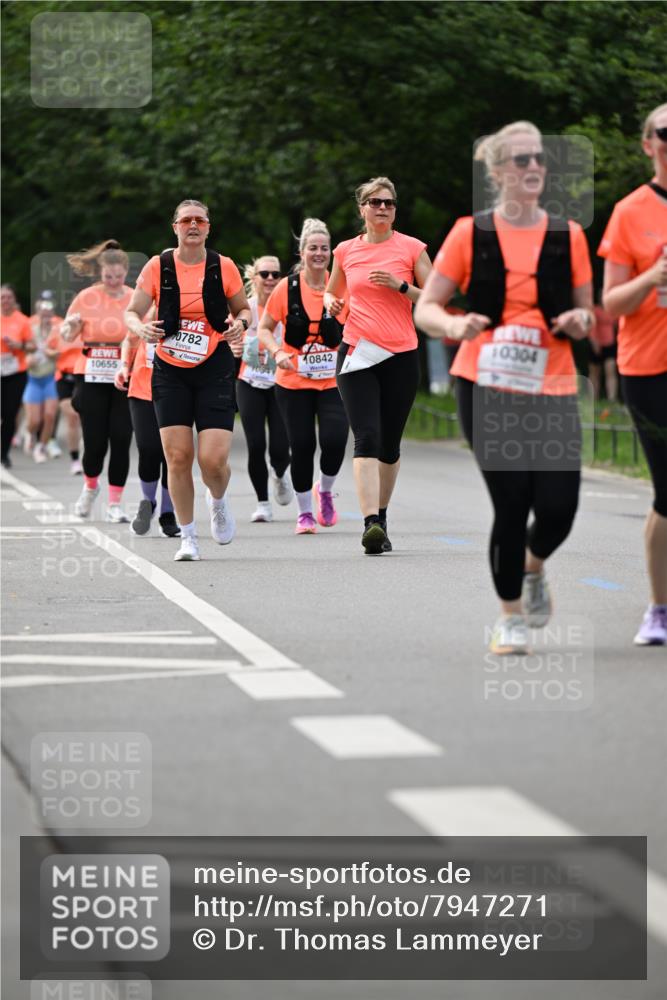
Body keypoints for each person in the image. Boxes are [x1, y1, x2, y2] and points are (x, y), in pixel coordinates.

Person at [415, 121, 593, 654]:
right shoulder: (471, 233)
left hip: (553, 383)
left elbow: (586, 309)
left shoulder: (570, 235)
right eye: (521, 160)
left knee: (559, 508)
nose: (534, 167)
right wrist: (452, 326)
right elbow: (427, 307)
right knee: (512, 502)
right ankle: (510, 617)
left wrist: (581, 322)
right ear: (496, 172)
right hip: (486, 382)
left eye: (539, 158)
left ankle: (533, 565)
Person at [125, 198, 250, 561]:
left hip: (214, 366)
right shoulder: (158, 266)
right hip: (169, 368)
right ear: (175, 227)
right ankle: (188, 537)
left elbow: (243, 309)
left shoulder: (222, 266)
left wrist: (240, 324)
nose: (193, 225)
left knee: (212, 461)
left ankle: (219, 500)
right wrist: (141, 327)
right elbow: (132, 311)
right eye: (186, 220)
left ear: (208, 227)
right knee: (178, 457)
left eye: (200, 220)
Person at [325, 177, 431, 553]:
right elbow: (332, 292)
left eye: (388, 202)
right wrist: (330, 304)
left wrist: (400, 286)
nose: (382, 207)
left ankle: (382, 516)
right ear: (362, 209)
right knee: (366, 437)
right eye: (374, 202)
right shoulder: (345, 251)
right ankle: (370, 523)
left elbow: (434, 299)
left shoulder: (411, 248)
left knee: (389, 445)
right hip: (358, 352)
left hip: (401, 354)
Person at [599, 102, 667, 647]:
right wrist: (653, 276)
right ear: (648, 144)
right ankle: (659, 609)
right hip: (649, 366)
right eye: (665, 133)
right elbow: (612, 303)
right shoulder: (630, 212)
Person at [258, 219, 349, 535]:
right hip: (293, 382)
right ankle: (305, 513)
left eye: (325, 248)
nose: (319, 253)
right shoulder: (286, 288)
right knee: (302, 444)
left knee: (336, 440)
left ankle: (324, 490)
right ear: (302, 252)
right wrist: (277, 352)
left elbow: (357, 327)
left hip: (333, 381)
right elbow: (264, 328)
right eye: (313, 248)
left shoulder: (341, 286)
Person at [61, 240, 134, 521]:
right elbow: (66, 336)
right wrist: (72, 327)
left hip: (124, 374)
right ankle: (90, 486)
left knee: (120, 437)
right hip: (91, 374)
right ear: (100, 273)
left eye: (118, 276)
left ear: (126, 272)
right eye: (108, 277)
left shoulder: (134, 297)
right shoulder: (86, 297)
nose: (113, 282)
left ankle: (114, 503)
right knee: (94, 442)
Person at [114, 308, 180, 538]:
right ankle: (148, 501)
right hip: (142, 390)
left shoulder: (191, 311)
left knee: (173, 455)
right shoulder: (148, 312)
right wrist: (124, 366)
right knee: (148, 448)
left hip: (177, 392)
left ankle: (168, 512)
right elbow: (129, 339)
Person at [236, 256, 292, 522]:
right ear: (254, 277)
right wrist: (232, 346)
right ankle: (262, 504)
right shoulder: (245, 309)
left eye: (275, 274)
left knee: (280, 448)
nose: (270, 279)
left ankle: (280, 474)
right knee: (256, 444)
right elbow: (227, 339)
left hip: (281, 384)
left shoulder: (289, 308)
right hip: (249, 383)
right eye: (265, 274)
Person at [24, 292, 62, 463]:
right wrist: (28, 359)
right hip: (34, 378)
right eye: (42, 312)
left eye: (49, 312)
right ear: (38, 312)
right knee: (34, 420)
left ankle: (41, 447)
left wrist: (52, 353)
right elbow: (24, 350)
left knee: (50, 415)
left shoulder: (58, 329)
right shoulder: (31, 329)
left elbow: (63, 352)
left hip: (51, 378)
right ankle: (30, 433)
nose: (46, 315)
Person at [1, 284, 34, 469]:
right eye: (2, 297)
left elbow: (32, 346)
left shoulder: (22, 321)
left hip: (15, 372)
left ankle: (4, 453)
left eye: (8, 297)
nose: (5, 301)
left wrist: (18, 345)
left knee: (9, 414)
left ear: (14, 300)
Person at [47, 311, 84, 475]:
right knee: (72, 416)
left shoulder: (88, 327)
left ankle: (86, 448)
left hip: (82, 376)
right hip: (63, 377)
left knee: (85, 417)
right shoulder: (58, 328)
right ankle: (75, 459)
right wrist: (54, 353)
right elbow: (49, 349)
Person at [588, 295, 618, 403]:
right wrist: (594, 342)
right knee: (594, 373)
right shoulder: (594, 309)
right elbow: (591, 327)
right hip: (596, 344)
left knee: (610, 370)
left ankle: (612, 399)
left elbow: (617, 324)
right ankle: (593, 399)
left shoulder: (612, 310)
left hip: (609, 344)